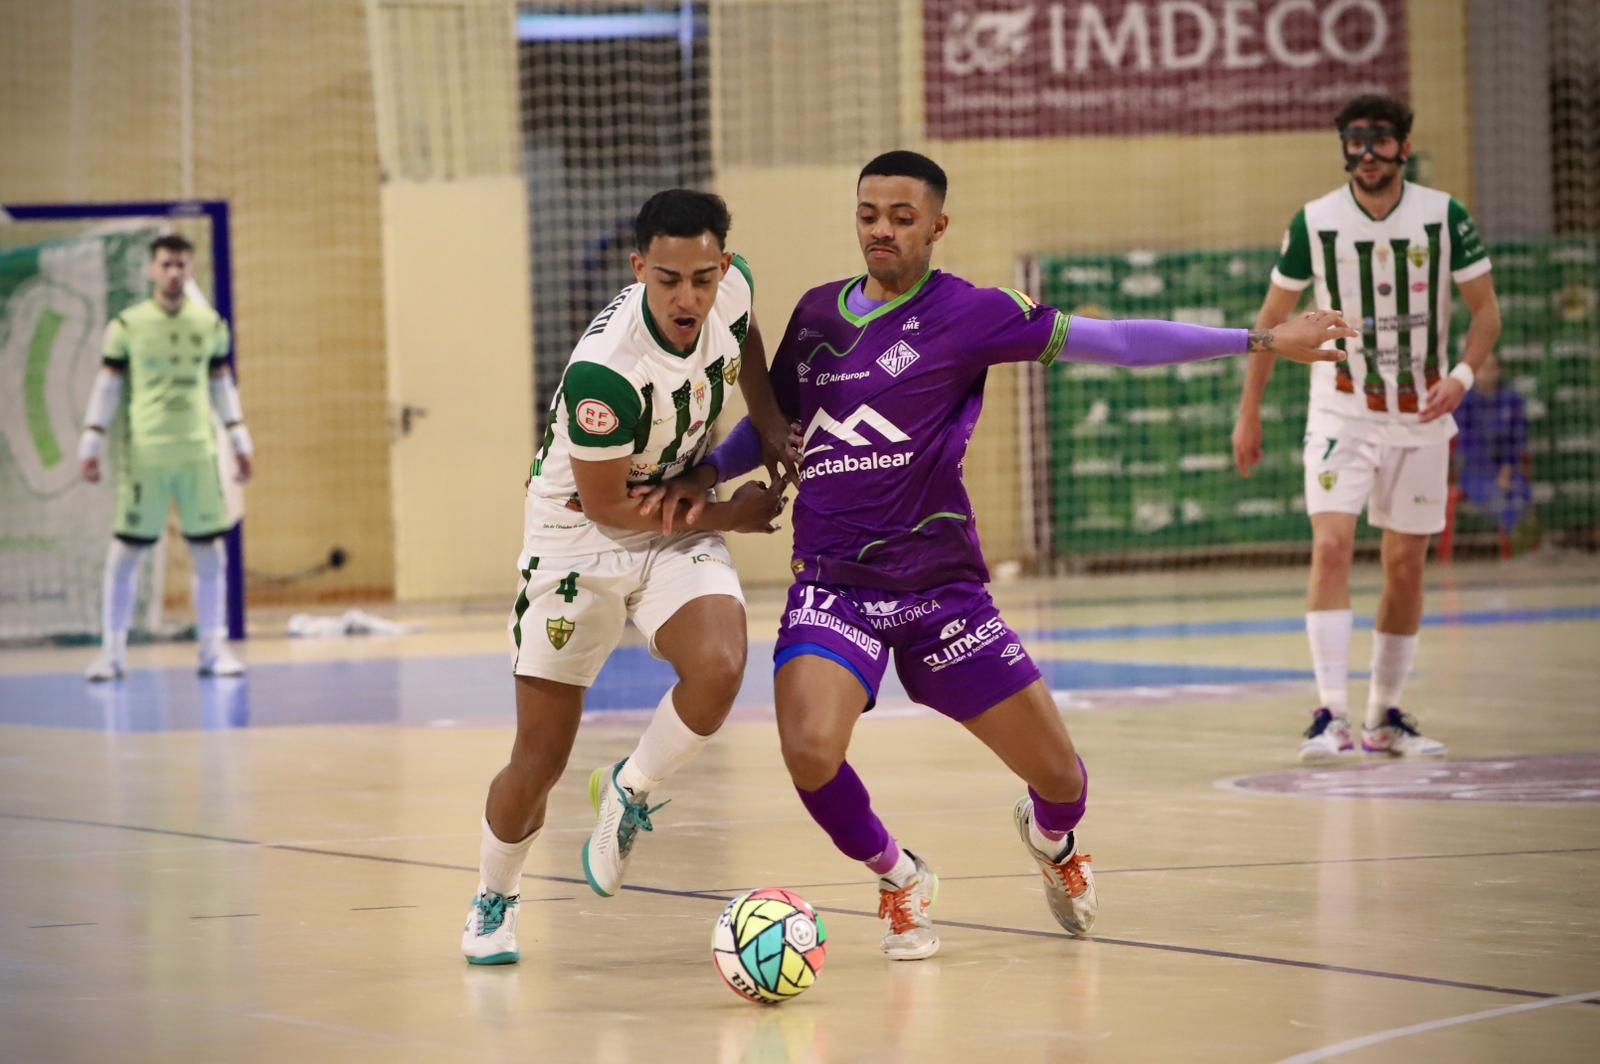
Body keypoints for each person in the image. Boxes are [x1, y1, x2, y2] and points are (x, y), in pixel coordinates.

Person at [641, 151, 1351, 958]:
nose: (882, 229)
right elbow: (772, 429)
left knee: (1062, 780)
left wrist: (1258, 337)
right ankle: (899, 878)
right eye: (870, 213)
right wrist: (706, 472)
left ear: (937, 227)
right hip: (835, 586)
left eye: (902, 218)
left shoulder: (971, 314)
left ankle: (1054, 842)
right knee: (807, 750)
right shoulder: (814, 318)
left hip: (942, 591)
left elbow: (1114, 341)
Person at [460, 189, 789, 965]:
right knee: (538, 758)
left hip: (671, 514)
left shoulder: (732, 287)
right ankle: (493, 896)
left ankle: (630, 789)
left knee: (720, 666)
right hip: (580, 537)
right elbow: (609, 507)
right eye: (670, 279)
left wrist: (769, 418)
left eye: (702, 278)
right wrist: (727, 514)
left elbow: (746, 338)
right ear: (640, 268)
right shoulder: (604, 375)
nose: (690, 297)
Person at [1232, 94, 1504, 762]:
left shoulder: (1445, 216)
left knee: (1406, 565)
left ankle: (1385, 717)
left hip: (1419, 414)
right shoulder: (1314, 222)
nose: (1368, 155)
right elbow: (1271, 324)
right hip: (1340, 412)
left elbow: (1487, 314)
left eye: (1381, 141)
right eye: (1356, 142)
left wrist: (1460, 380)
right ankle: (1331, 714)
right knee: (1330, 548)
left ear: (1403, 148)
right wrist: (1250, 410)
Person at [78, 234, 253, 681]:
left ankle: (213, 652)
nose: (174, 272)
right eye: (166, 264)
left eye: (181, 265)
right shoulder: (128, 325)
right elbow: (109, 385)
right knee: (126, 554)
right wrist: (92, 440)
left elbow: (220, 382)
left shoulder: (209, 324)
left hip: (197, 453)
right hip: (147, 455)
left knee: (210, 553)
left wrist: (239, 438)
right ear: (152, 270)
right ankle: (112, 654)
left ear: (190, 271)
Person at [1453, 352, 1533, 550]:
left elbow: (1518, 441)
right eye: (1482, 368)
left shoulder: (1512, 401)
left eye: (1491, 367)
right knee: (1499, 498)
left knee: (1520, 495)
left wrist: (1506, 470)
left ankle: (1527, 547)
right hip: (1476, 473)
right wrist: (1494, 476)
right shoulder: (1465, 404)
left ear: (1499, 370)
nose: (1487, 373)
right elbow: (1467, 446)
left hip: (1508, 471)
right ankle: (1518, 550)